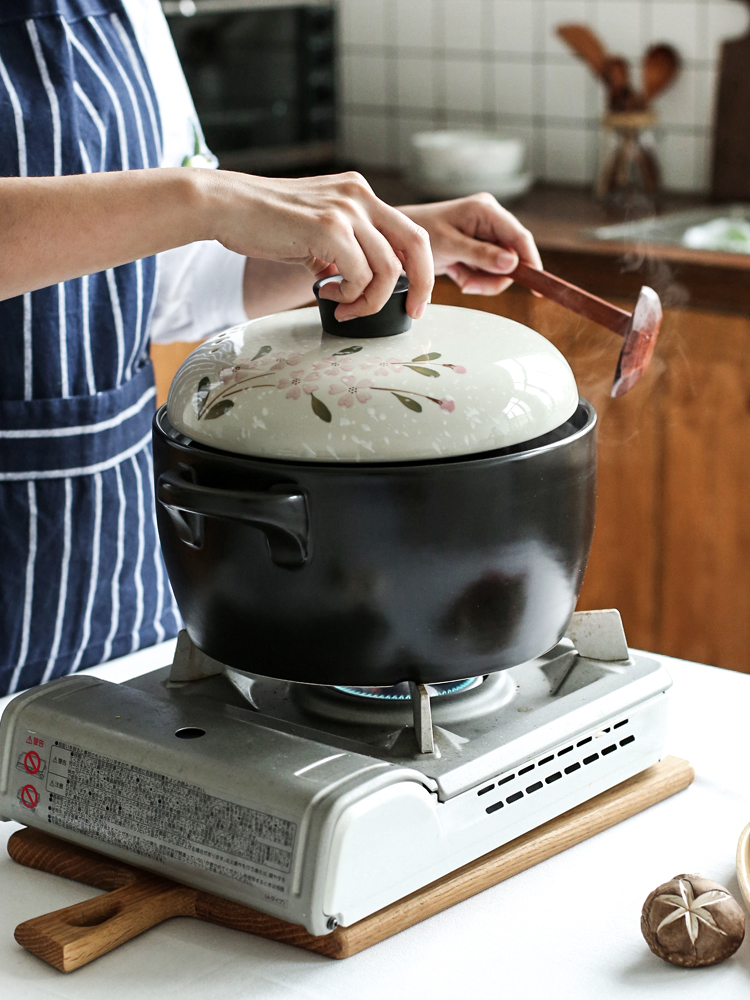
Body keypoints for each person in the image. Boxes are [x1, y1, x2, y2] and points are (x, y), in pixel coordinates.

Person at [0, 0, 542, 697]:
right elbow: (194, 210)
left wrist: (381, 240)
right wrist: (205, 199)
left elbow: (173, 280)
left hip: (108, 580)